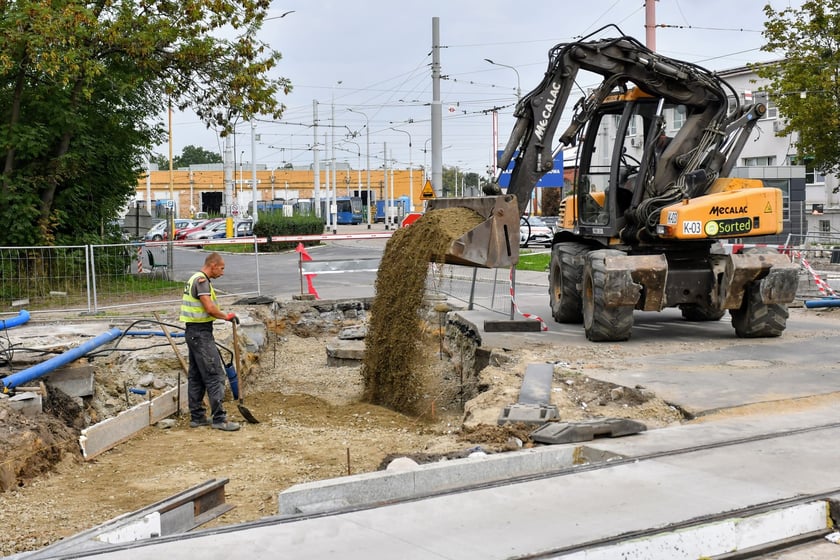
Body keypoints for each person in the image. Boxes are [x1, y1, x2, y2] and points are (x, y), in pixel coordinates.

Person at [180, 252, 241, 431]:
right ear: (213, 265)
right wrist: (227, 316)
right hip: (200, 334)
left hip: (194, 332)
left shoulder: (195, 279)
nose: (222, 272)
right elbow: (210, 308)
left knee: (197, 375)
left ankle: (197, 417)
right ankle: (219, 419)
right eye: (221, 268)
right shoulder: (202, 281)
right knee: (215, 375)